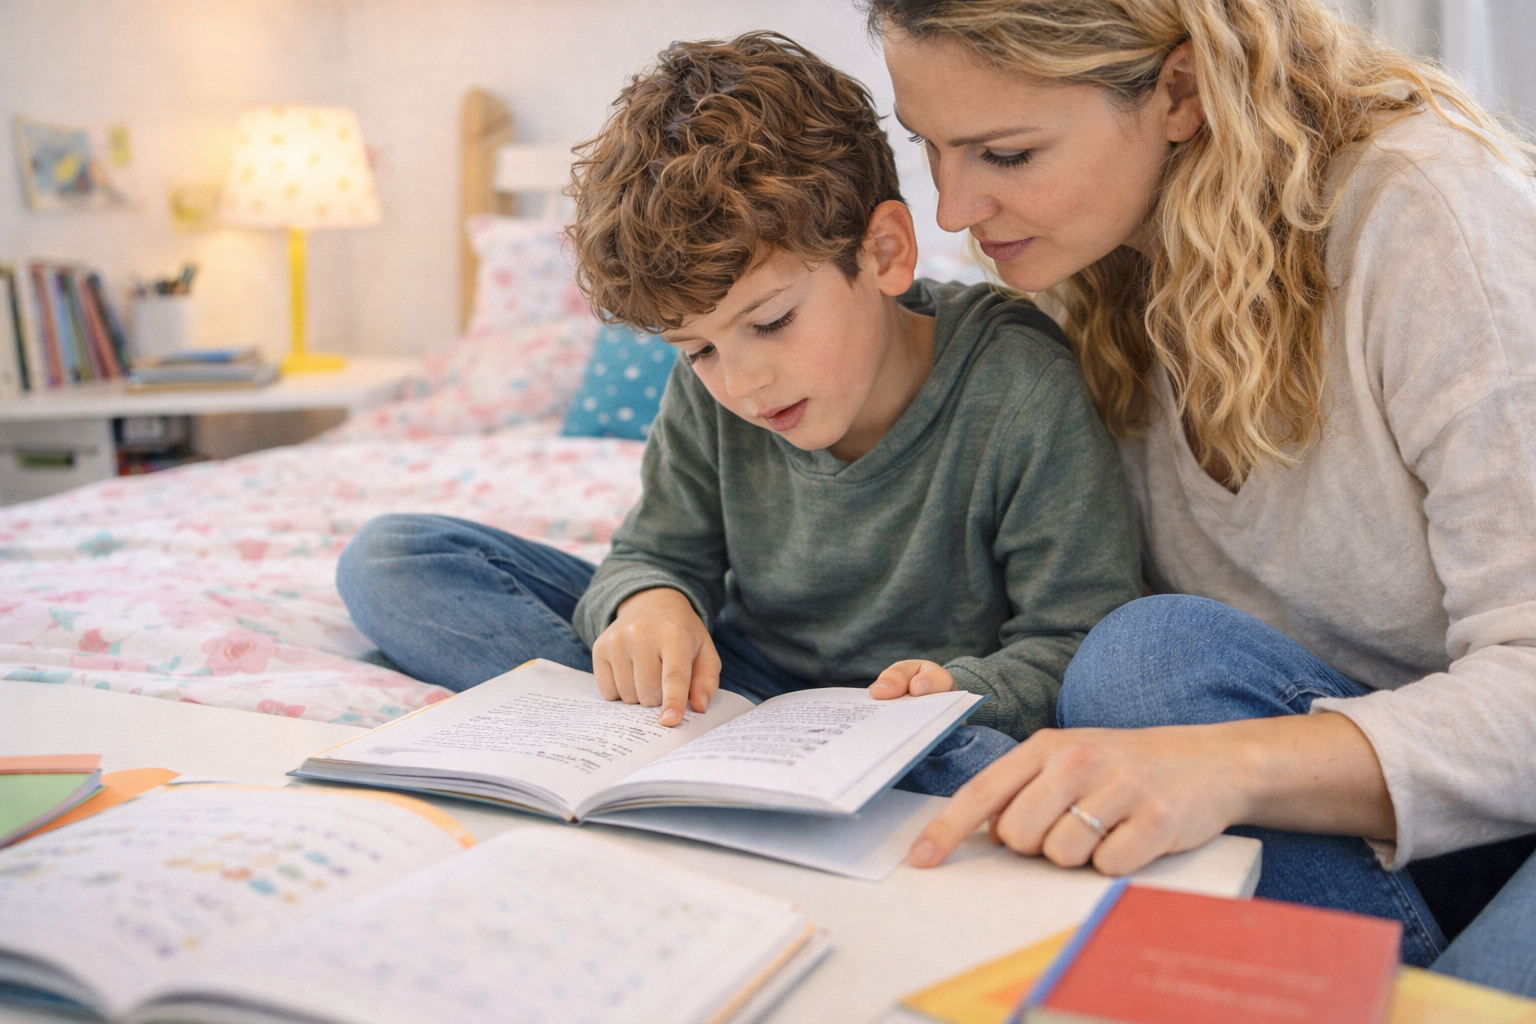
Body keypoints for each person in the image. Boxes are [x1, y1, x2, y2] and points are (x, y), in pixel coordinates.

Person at [868, 0, 1536, 992]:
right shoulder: (1077, 270)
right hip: (1351, 841)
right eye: (927, 145)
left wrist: (1224, 764)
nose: (955, 209)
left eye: (1004, 155)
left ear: (1180, 91)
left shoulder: (1424, 210)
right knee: (1115, 674)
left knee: (1144, 669)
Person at [336, 32, 1143, 797]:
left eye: (771, 322)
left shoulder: (1019, 382)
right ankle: (701, 743)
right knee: (390, 561)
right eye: (698, 349)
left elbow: (1076, 636)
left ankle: (703, 746)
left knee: (992, 765)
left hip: (915, 718)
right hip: (733, 683)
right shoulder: (711, 385)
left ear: (886, 253)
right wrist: (649, 604)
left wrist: (967, 689)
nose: (744, 382)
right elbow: (655, 552)